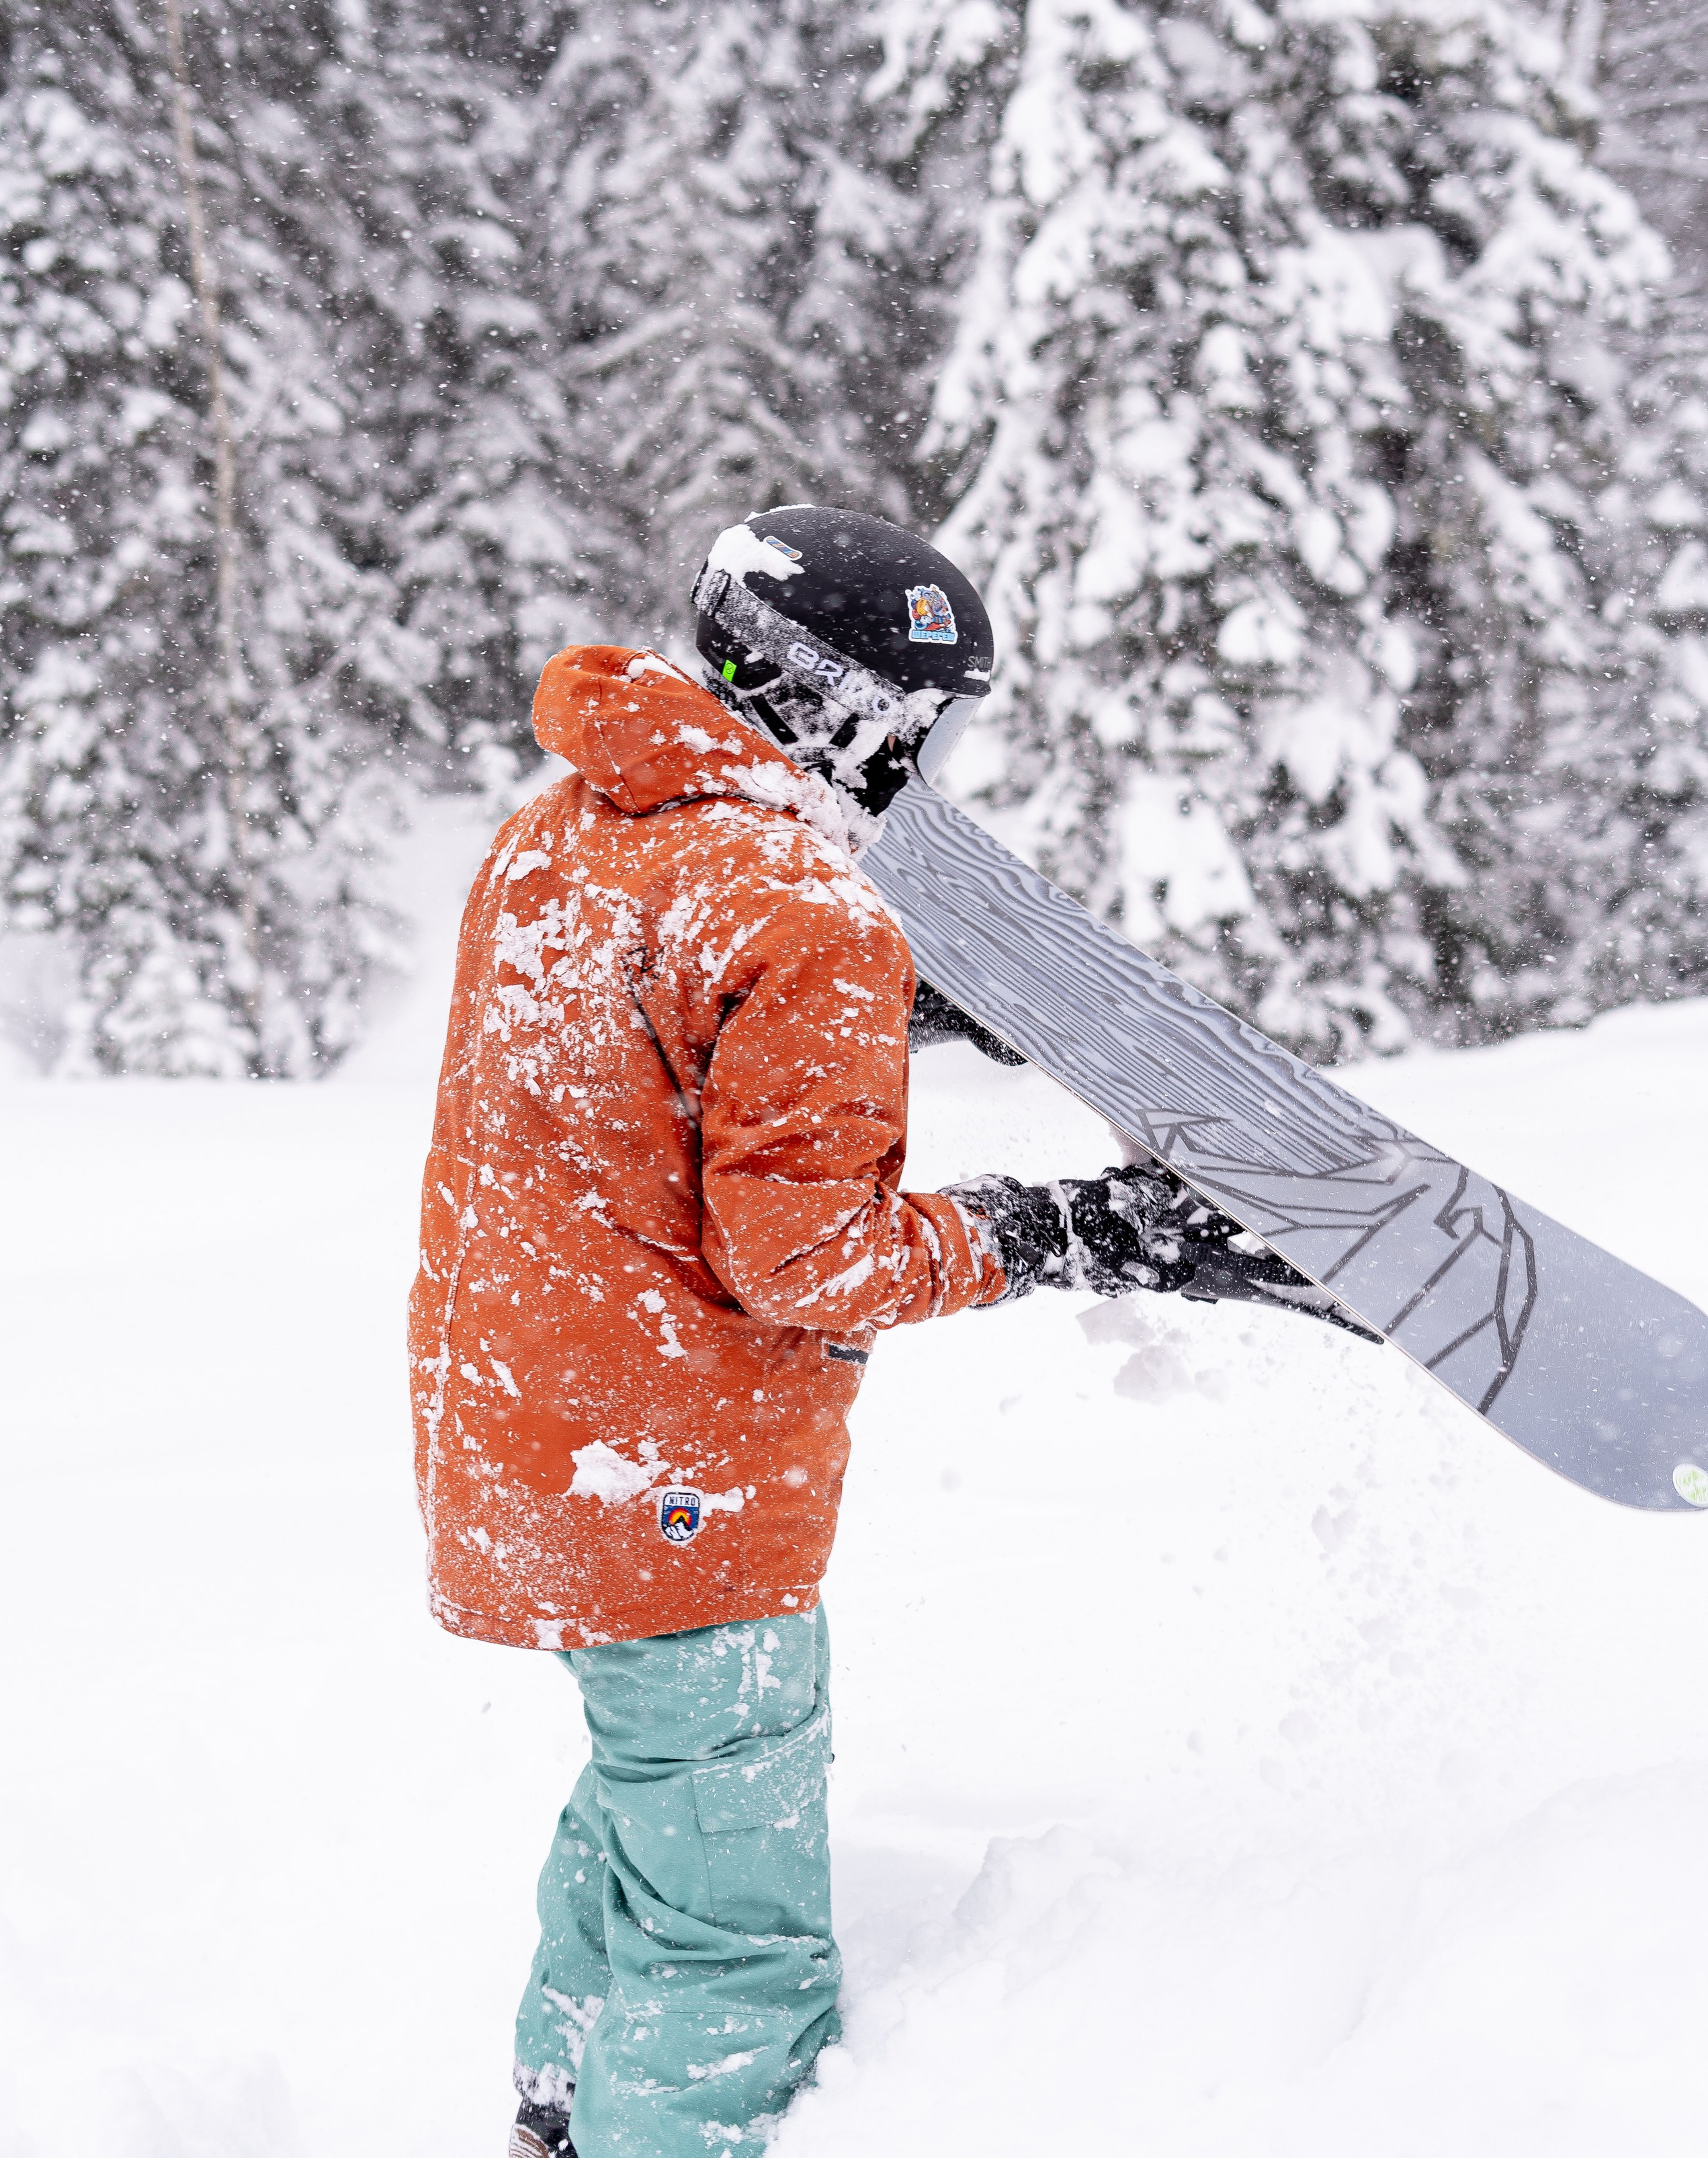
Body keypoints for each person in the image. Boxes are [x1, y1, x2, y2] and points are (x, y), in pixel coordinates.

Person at [408, 505, 1296, 2158]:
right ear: (829, 705)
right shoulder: (792, 903)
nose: (919, 769)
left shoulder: (566, 831)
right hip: (680, 1493)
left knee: (648, 1803)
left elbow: (639, 1035)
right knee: (731, 1934)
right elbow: (807, 1260)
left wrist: (882, 1003)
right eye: (917, 726)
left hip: (524, 1439)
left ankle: (560, 2103)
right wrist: (1078, 1232)